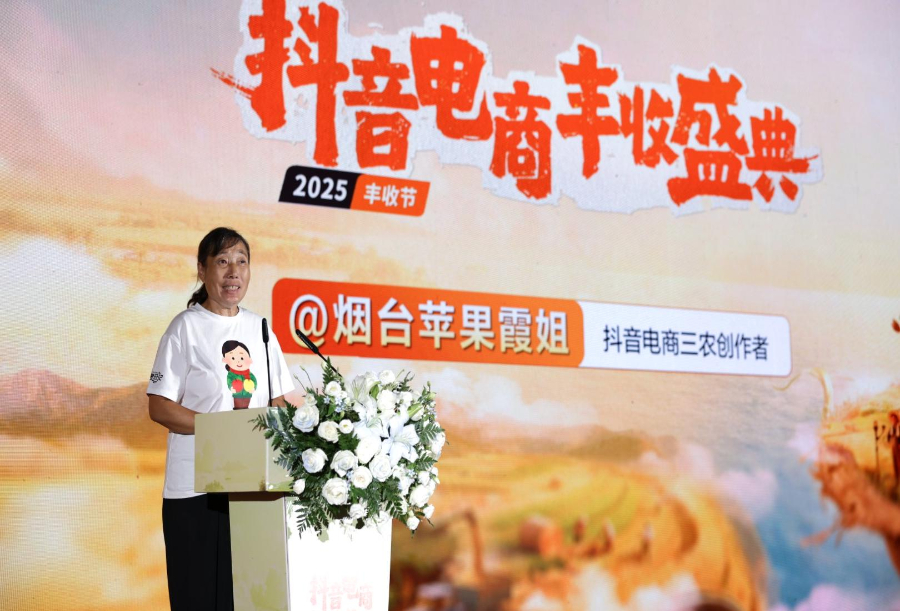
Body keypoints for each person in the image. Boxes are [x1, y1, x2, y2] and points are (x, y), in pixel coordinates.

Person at [147, 227, 294, 611]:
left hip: (253, 489)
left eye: (242, 262)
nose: (233, 272)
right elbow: (159, 405)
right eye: (223, 261)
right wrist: (221, 430)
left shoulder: (261, 330)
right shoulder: (185, 327)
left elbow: (278, 402)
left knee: (247, 600)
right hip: (195, 489)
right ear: (202, 270)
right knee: (197, 598)